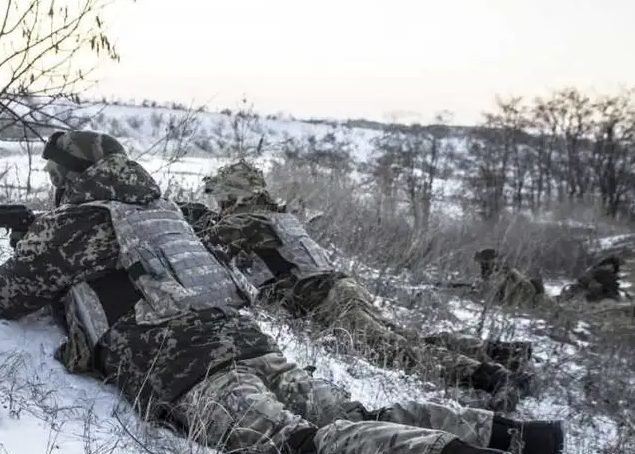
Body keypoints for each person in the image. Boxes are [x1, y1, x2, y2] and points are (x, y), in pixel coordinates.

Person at [0, 131, 564, 454]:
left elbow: (1, 297)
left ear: (67, 177)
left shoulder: (80, 222)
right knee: (353, 416)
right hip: (248, 342)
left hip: (188, 365)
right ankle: (515, 435)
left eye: (55, 178)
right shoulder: (161, 209)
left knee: (293, 447)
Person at [181, 160, 535, 405]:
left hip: (326, 299)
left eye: (222, 197)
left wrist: (181, 216)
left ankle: (491, 377)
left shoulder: (247, 220)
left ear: (235, 196)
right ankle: (501, 352)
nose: (220, 204)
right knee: (404, 340)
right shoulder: (274, 213)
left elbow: (206, 242)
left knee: (396, 351)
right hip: (338, 289)